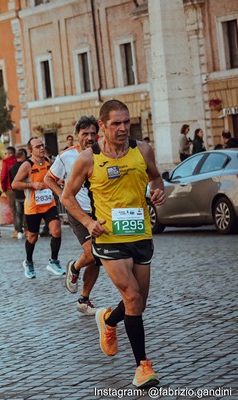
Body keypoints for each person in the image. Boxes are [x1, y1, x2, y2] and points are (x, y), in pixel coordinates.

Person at [61, 99, 166, 388]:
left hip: (141, 234)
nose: (122, 128)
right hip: (108, 237)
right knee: (132, 296)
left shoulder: (142, 150)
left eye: (126, 122)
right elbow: (67, 197)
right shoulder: (88, 158)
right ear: (102, 126)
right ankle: (142, 367)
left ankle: (108, 320)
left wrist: (157, 193)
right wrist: (87, 222)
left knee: (138, 303)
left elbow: (156, 179)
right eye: (116, 123)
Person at [44, 116, 100, 315]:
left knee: (98, 258)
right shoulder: (66, 156)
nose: (90, 137)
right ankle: (75, 267)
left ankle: (84, 300)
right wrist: (62, 195)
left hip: (99, 211)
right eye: (85, 134)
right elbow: (48, 178)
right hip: (77, 211)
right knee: (93, 253)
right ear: (77, 136)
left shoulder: (103, 153)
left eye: (93, 133)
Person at [12, 137, 65, 278]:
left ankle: (54, 261)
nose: (42, 148)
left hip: (49, 204)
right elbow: (14, 184)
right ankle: (28, 262)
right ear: (31, 151)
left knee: (57, 231)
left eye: (42, 145)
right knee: (33, 237)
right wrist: (32, 185)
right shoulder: (27, 165)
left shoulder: (48, 162)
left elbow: (52, 179)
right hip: (33, 207)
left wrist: (59, 182)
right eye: (38, 146)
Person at [9, 149, 27, 240]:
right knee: (28, 213)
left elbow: (11, 181)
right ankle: (28, 230)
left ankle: (19, 231)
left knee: (18, 214)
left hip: (17, 193)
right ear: (23, 155)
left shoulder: (12, 168)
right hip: (26, 192)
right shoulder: (26, 166)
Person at [0, 146, 18, 238]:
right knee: (23, 208)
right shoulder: (18, 160)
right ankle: (27, 229)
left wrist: (4, 189)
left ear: (10, 153)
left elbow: (3, 176)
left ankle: (17, 230)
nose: (6, 155)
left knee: (13, 209)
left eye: (6, 153)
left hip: (9, 188)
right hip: (20, 188)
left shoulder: (6, 162)